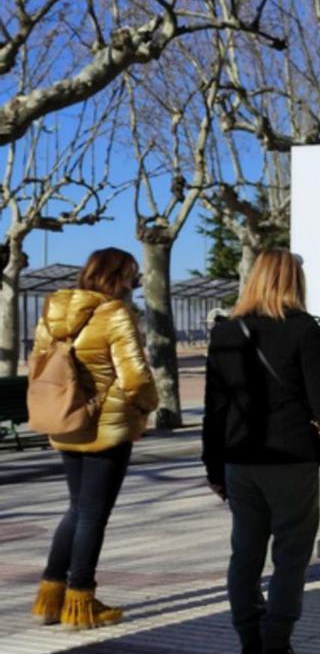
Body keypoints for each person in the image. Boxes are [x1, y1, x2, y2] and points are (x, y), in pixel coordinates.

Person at [203, 249, 320, 654]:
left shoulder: (225, 332)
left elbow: (215, 409)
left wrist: (213, 467)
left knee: (245, 553)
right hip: (292, 459)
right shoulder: (303, 330)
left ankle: (249, 637)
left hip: (240, 459)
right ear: (294, 282)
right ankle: (277, 640)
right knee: (291, 554)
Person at [29, 249, 159, 630]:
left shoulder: (51, 310)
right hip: (107, 427)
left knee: (77, 509)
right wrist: (146, 409)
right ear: (118, 277)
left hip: (66, 420)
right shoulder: (114, 313)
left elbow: (39, 363)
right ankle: (80, 600)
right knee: (92, 515)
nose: (132, 285)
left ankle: (50, 598)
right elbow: (135, 378)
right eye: (131, 277)